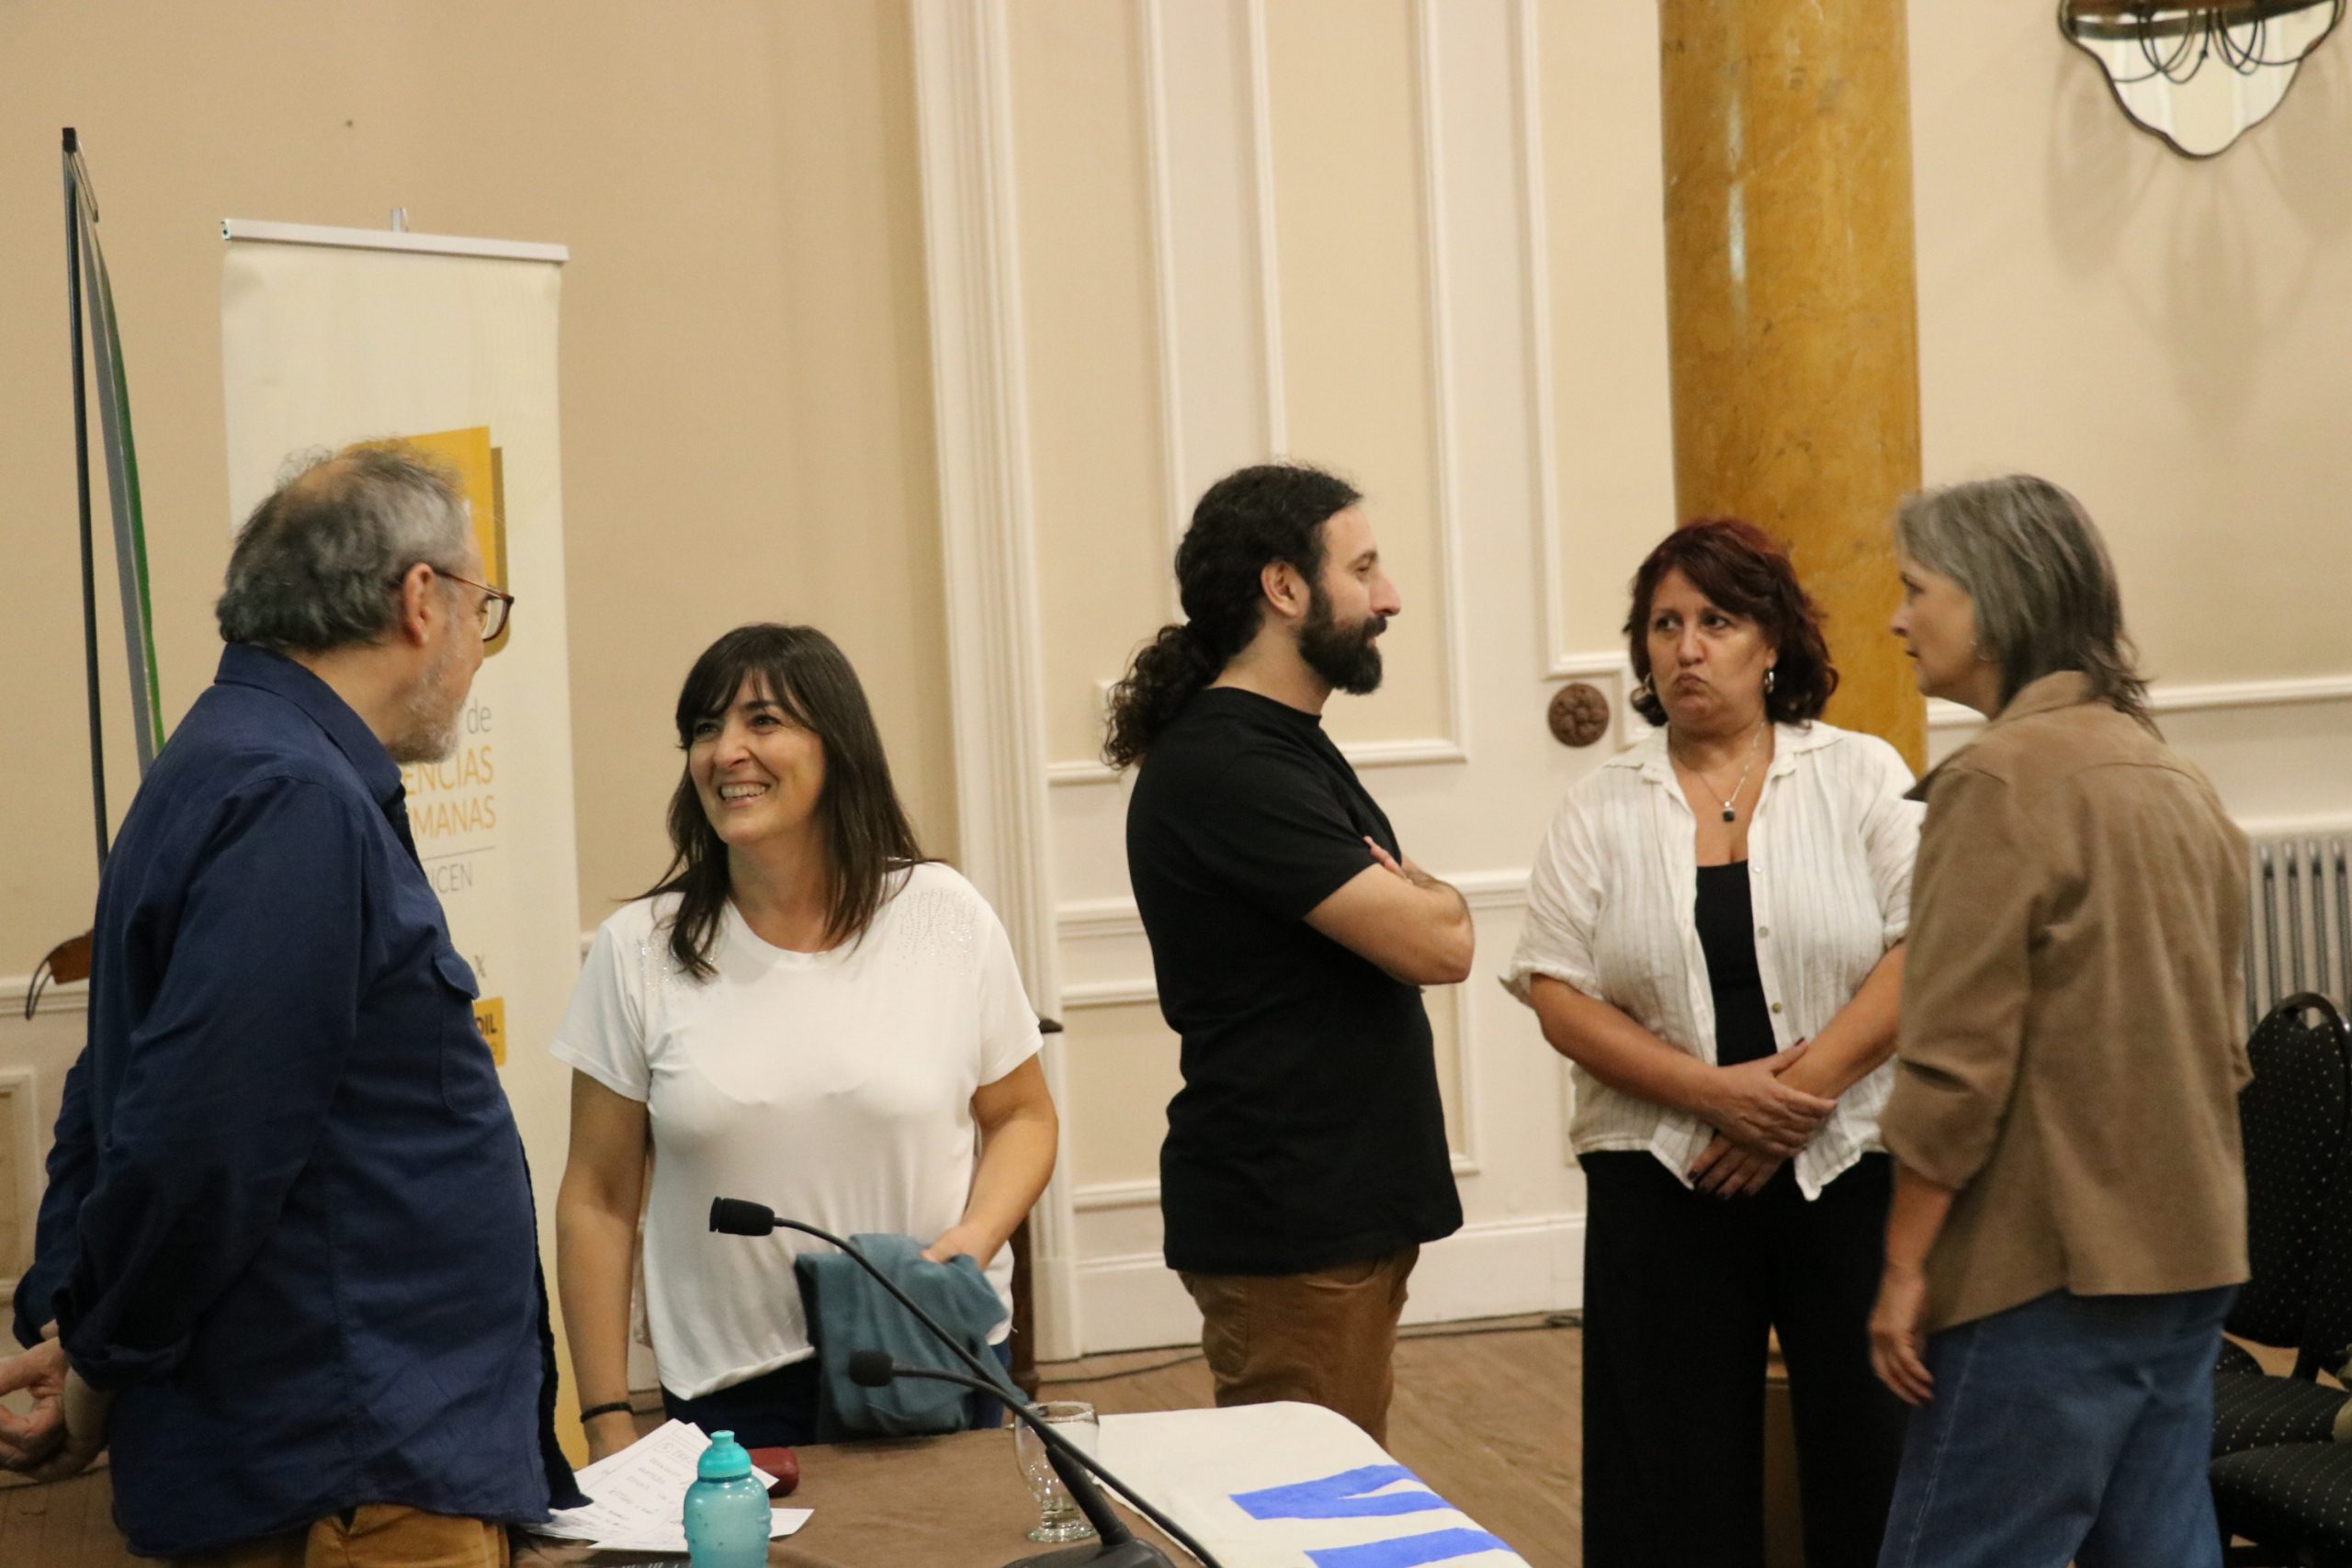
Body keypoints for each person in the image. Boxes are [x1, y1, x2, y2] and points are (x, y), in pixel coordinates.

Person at [0, 448, 579, 1563]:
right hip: (347, 1479)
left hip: (324, 1457)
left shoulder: (227, 761)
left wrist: (86, 1325)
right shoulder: (294, 798)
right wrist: (100, 1367)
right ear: (422, 600)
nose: (478, 648)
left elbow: (117, 1098)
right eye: (484, 610)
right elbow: (197, 1146)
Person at [1503, 519, 1918, 1568]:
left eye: (1717, 622)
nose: (1686, 648)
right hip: (1661, 1170)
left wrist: (1792, 1103)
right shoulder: (1600, 805)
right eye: (1664, 625)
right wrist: (1714, 1096)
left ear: (1771, 641)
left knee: (1874, 1458)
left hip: (1847, 1161)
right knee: (1669, 1483)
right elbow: (1555, 989)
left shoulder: (1861, 775)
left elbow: (1930, 948)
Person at [553, 623, 1057, 1459]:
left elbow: (1023, 1117)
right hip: (732, 1393)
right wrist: (606, 1416)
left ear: (838, 747)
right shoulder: (638, 948)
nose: (726, 752)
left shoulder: (944, 914)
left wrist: (971, 1242)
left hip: (932, 1355)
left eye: (763, 721)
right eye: (706, 728)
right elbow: (598, 1199)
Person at [1868, 476, 2249, 1567]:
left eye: (1916, 590)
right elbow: (2219, 1050)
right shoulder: (2172, 776)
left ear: (1991, 603)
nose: (1897, 619)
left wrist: (1903, 1266)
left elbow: (1954, 1068)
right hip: (2188, 1250)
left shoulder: (1995, 784)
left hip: (2046, 1265)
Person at [1104, 462, 1469, 1446]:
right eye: (1364, 568)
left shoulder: (1279, 742)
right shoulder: (1233, 765)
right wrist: (1432, 898)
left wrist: (1425, 899)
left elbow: (1425, 925)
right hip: (1293, 1216)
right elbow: (1441, 944)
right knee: (1316, 1507)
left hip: (1328, 1206)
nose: (1389, 597)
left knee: (1343, 1488)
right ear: (1283, 586)